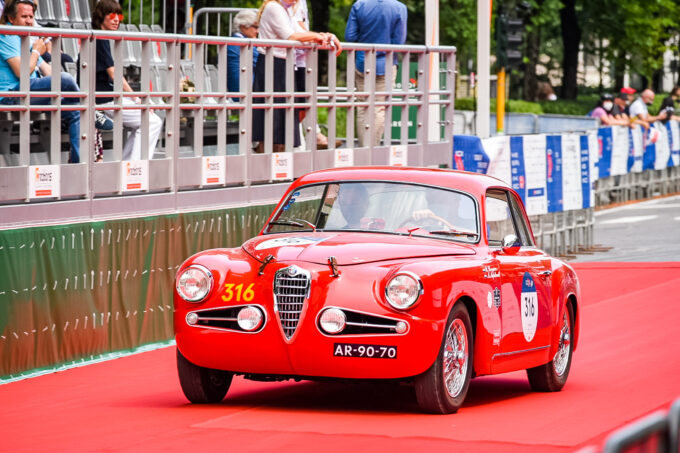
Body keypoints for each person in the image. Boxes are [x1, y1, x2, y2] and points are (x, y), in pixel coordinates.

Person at [252, 0, 340, 153]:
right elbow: (291, 36)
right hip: (273, 64)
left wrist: (325, 36)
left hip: (282, 64)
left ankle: (278, 165)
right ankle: (268, 165)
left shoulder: (286, 10)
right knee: (273, 121)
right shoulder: (274, 7)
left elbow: (300, 33)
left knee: (282, 121)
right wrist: (319, 37)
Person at [0, 0, 81, 163]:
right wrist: (37, 51)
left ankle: (76, 163)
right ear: (11, 18)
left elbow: (48, 71)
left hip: (30, 92)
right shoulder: (5, 36)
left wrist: (66, 94)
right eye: (24, 16)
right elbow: (22, 72)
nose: (29, 21)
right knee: (65, 79)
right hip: (12, 95)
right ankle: (93, 113)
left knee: (75, 110)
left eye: (31, 16)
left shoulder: (24, 37)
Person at [89, 0, 163, 161]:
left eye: (119, 15)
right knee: (152, 121)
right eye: (112, 15)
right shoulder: (98, 39)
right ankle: (134, 168)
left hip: (106, 98)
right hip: (102, 100)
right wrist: (136, 98)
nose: (117, 19)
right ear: (102, 16)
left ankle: (128, 166)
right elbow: (114, 74)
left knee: (148, 122)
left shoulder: (100, 38)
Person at [344, 0, 407, 148]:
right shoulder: (399, 8)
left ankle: (363, 149)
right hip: (386, 63)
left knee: (362, 107)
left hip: (362, 61)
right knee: (379, 108)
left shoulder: (359, 5)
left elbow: (350, 36)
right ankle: (372, 150)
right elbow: (399, 41)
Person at [227, 10, 259, 102]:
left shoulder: (237, 40)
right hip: (243, 91)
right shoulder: (240, 43)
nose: (257, 31)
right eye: (255, 27)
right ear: (244, 26)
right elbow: (262, 62)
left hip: (242, 89)